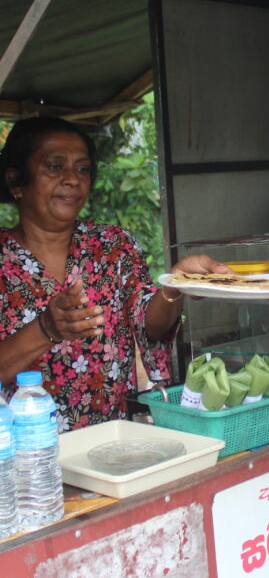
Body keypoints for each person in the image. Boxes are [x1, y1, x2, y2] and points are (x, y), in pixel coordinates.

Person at [0, 116, 229, 432]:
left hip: (114, 439)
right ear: (15, 181)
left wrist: (174, 285)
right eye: (55, 167)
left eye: (82, 169)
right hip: (27, 455)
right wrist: (46, 329)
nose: (72, 179)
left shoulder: (112, 245)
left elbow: (150, 324)